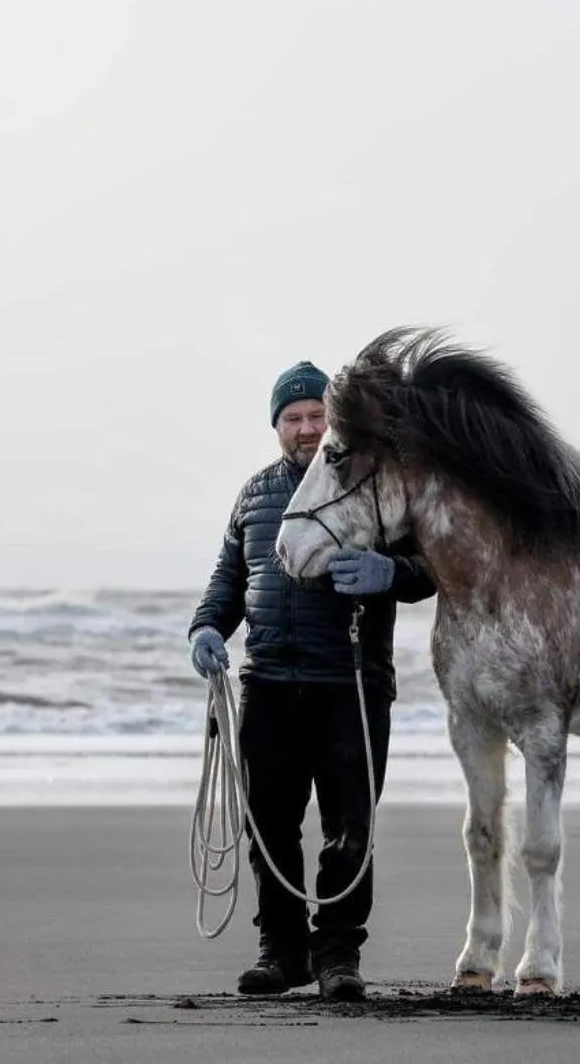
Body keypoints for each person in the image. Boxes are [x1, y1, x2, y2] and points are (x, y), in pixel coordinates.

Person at [186, 360, 436, 1001]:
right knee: (268, 825)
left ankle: (338, 957)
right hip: (267, 683)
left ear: (335, 422)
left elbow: (429, 569)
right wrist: (205, 630)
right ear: (276, 426)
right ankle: (282, 952)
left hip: (351, 684)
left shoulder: (375, 487)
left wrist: (390, 572)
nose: (305, 428)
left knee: (350, 827)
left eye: (316, 416)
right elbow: (228, 580)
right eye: (292, 418)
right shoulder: (254, 494)